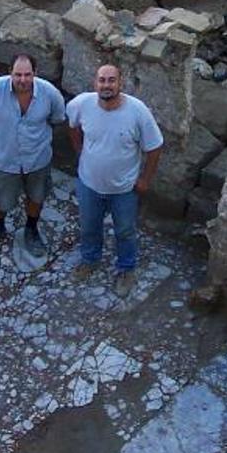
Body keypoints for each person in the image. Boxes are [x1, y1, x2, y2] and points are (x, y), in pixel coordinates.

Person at [66, 64, 163, 297]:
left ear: (121, 83)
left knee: (125, 231)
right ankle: (90, 259)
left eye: (111, 80)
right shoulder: (81, 104)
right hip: (89, 184)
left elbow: (155, 147)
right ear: (95, 83)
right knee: (89, 226)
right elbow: (72, 127)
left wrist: (145, 180)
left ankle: (127, 268)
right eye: (102, 80)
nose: (106, 85)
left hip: (123, 189)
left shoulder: (138, 112)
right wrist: (81, 152)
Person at [0, 54, 67, 257]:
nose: (22, 80)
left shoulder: (50, 93)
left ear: (35, 73)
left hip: (37, 159)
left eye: (27, 75)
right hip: (5, 160)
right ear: (9, 73)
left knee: (37, 196)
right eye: (18, 75)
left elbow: (58, 116)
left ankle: (31, 229)